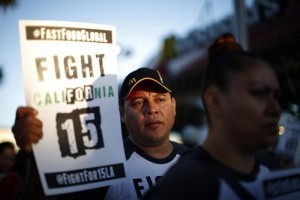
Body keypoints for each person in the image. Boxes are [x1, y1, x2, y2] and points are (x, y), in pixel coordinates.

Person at [10, 67, 189, 200]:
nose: (151, 109)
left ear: (173, 106)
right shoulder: (102, 169)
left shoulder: (195, 159)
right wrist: (36, 156)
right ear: (122, 114)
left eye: (160, 99)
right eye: (138, 102)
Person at [143, 33, 282, 200]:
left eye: (276, 96)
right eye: (259, 93)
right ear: (214, 101)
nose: (275, 109)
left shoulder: (274, 169)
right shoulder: (182, 188)